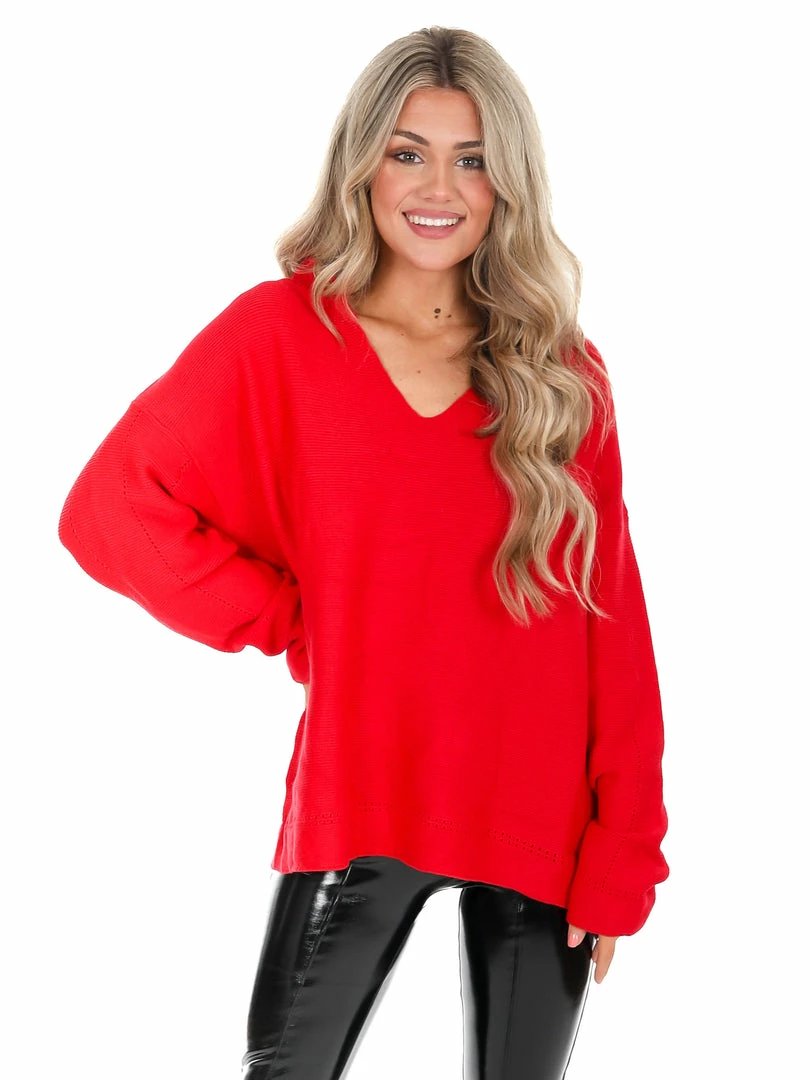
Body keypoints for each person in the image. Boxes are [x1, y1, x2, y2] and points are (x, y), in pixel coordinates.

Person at [58, 25, 669, 1080]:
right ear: (362, 166)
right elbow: (110, 510)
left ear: (507, 184)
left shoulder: (561, 373)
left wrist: (626, 850)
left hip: (541, 814)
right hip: (365, 788)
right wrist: (295, 619)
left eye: (472, 159)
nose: (439, 187)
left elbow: (610, 623)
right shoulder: (281, 337)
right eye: (407, 152)